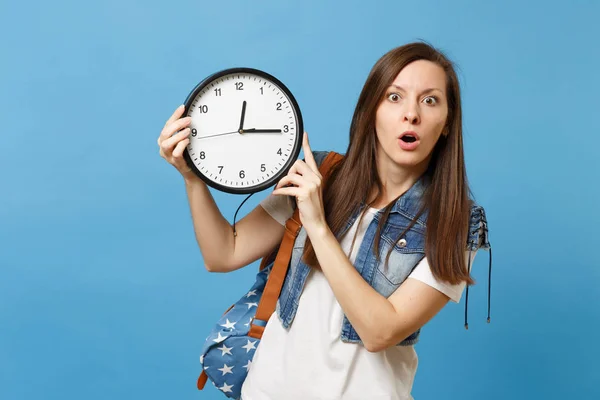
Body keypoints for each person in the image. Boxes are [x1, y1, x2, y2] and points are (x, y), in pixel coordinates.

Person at [157, 41, 491, 400]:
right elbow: (223, 253)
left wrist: (317, 225)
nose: (411, 114)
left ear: (446, 125)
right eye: (394, 97)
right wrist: (192, 178)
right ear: (371, 110)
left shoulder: (456, 222)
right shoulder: (320, 175)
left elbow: (380, 332)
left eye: (429, 100)